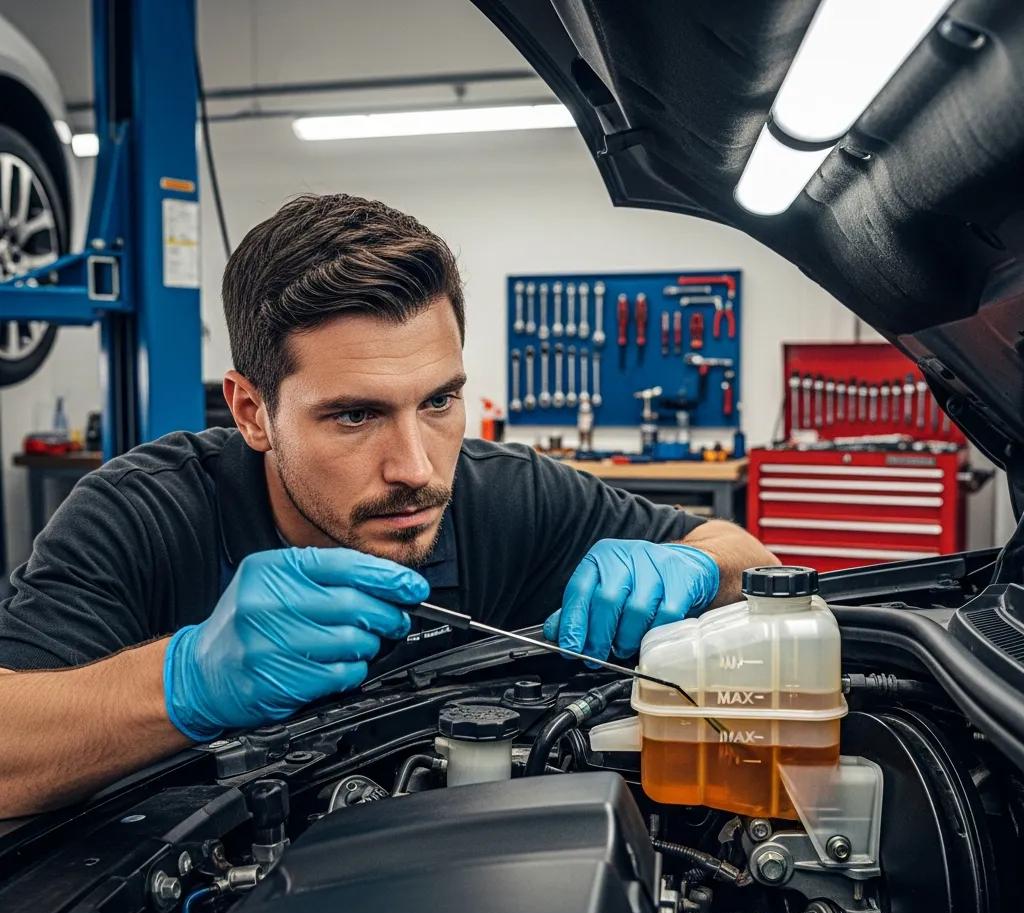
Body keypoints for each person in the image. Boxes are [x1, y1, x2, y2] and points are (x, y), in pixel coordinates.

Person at [0, 194, 775, 817]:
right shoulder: (144, 514)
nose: (416, 468)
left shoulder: (507, 494)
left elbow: (754, 560)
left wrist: (697, 565)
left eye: (439, 401)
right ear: (250, 413)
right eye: (354, 415)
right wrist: (183, 682)